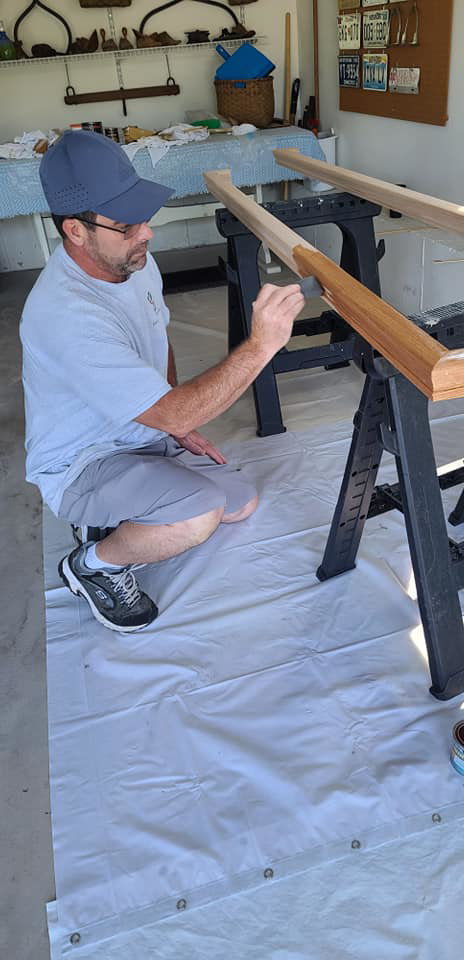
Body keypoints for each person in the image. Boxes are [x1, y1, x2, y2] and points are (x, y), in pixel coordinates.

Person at [20, 130, 305, 633]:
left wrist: (170, 423)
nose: (146, 234)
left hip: (137, 434)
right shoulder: (67, 316)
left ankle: (114, 518)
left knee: (239, 505)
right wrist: (261, 345)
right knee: (199, 516)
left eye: (144, 217)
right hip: (82, 462)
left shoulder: (133, 263)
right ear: (76, 230)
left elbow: (160, 337)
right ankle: (93, 566)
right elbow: (178, 409)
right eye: (127, 225)